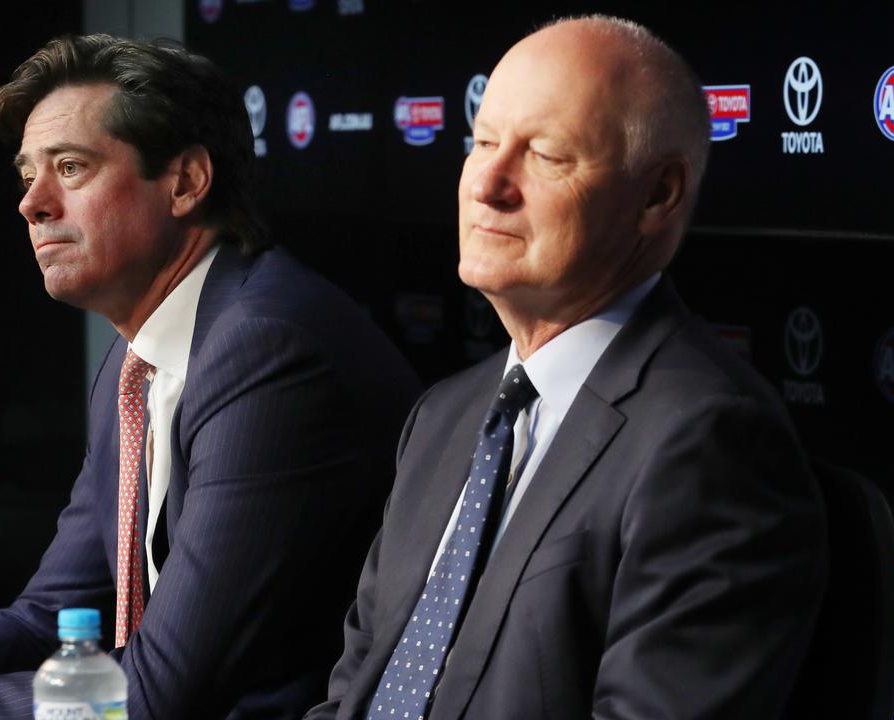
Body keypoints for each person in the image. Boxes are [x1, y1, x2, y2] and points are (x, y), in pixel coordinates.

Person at [0, 34, 421, 720]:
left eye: (70, 167)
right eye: (26, 173)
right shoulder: (136, 362)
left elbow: (157, 694)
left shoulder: (267, 351)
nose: (31, 203)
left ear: (185, 182)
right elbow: (53, 622)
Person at [305, 15, 827, 720]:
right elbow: (353, 695)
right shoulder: (444, 417)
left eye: (545, 155)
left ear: (657, 196)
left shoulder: (709, 440)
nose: (486, 182)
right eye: (482, 142)